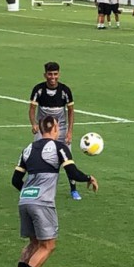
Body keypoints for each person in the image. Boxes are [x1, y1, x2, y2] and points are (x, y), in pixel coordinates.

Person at [10, 115, 99, 267]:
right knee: (48, 245)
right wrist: (89, 178)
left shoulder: (27, 148)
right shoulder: (59, 147)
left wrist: (28, 193)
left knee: (33, 243)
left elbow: (15, 180)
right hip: (42, 203)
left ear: (42, 129)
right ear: (55, 128)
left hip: (24, 201)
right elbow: (72, 173)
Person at [28, 61, 81, 200]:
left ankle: (73, 189)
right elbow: (32, 109)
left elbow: (70, 111)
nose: (53, 77)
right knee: (37, 156)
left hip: (61, 129)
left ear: (59, 74)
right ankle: (33, 185)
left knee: (67, 158)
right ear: (45, 75)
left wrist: (69, 132)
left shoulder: (65, 91)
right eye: (50, 74)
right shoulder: (38, 90)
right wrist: (34, 124)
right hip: (43, 129)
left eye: (55, 74)